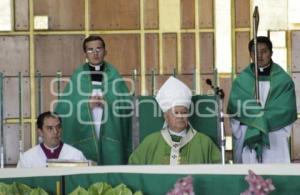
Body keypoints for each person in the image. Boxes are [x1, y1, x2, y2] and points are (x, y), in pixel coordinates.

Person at [54, 35, 132, 165]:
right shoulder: (78, 75)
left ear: (105, 51)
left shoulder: (113, 74)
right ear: (85, 53)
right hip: (85, 124)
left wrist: (109, 103)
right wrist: (86, 106)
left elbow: (126, 104)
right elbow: (65, 108)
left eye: (98, 49)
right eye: (90, 50)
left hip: (108, 124)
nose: (95, 53)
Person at [227, 36, 297, 163]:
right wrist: (255, 122)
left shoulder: (283, 81)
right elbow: (235, 109)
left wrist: (258, 120)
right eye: (255, 52)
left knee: (275, 178)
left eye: (264, 51)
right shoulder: (241, 81)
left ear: (271, 53)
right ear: (250, 54)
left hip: (274, 134)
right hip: (247, 132)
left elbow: (287, 110)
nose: (259, 56)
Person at [129, 76, 221, 164]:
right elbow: (133, 171)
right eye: (176, 113)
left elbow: (220, 170)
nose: (180, 116)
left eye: (184, 112)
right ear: (166, 116)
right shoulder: (150, 143)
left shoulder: (204, 143)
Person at [17, 111, 86, 168]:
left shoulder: (76, 155)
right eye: (50, 128)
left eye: (58, 127)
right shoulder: (27, 158)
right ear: (40, 132)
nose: (55, 132)